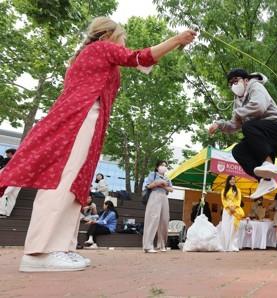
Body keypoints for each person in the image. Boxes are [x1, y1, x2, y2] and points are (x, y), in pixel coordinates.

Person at [0, 17, 195, 271]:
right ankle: (40, 251)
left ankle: (61, 247)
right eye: (122, 37)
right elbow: (140, 57)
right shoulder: (100, 48)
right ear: (107, 36)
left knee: (77, 183)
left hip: (90, 118)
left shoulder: (87, 57)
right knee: (64, 178)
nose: (124, 42)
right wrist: (177, 40)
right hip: (81, 116)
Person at [208, 69, 277, 199]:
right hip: (264, 140)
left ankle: (268, 164)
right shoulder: (237, 102)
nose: (233, 85)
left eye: (236, 81)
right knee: (238, 150)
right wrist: (219, 124)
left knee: (248, 126)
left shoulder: (255, 86)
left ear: (246, 80)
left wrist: (238, 113)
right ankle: (265, 180)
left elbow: (259, 106)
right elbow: (234, 125)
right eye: (230, 84)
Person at [143, 160, 174, 253]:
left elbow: (171, 189)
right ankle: (148, 246)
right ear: (157, 167)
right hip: (154, 195)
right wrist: (158, 183)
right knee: (153, 219)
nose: (163, 167)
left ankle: (162, 244)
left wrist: (163, 185)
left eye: (165, 165)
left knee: (164, 220)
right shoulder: (153, 174)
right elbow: (149, 186)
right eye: (161, 165)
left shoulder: (167, 178)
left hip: (164, 197)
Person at [219, 175, 245, 252]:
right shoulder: (224, 190)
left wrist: (234, 207)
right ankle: (225, 246)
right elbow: (223, 200)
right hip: (227, 211)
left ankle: (233, 246)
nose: (232, 181)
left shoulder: (238, 190)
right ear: (228, 180)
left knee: (234, 228)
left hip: (235, 211)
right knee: (226, 227)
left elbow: (239, 200)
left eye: (234, 179)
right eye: (231, 179)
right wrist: (228, 206)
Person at [0, 149, 20, 218]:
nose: (7, 155)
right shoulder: (20, 160)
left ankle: (2, 212)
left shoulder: (13, 161)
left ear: (11, 153)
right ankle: (8, 213)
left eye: (7, 154)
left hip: (12, 180)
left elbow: (6, 170)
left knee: (4, 194)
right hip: (19, 181)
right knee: (12, 197)